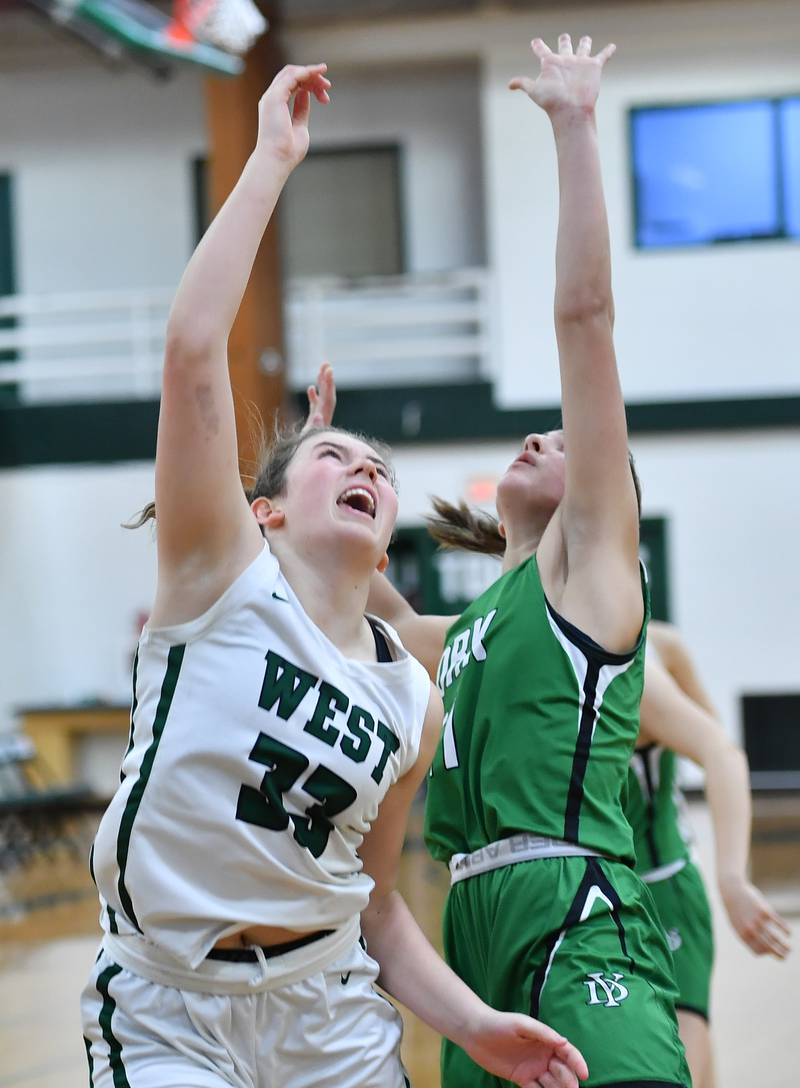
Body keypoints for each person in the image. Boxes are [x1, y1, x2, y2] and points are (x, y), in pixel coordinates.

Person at [79, 62, 589, 1088]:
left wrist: (475, 1022)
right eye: (332, 455)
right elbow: (190, 352)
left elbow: (378, 901)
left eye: (378, 467)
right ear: (261, 510)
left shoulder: (410, 692)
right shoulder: (216, 577)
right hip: (168, 1004)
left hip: (329, 1008)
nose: (363, 464)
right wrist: (272, 157)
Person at [323, 33, 691, 1088]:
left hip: (573, 903)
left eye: (567, 439)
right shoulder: (472, 625)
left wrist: (574, 129)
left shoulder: (591, 582)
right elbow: (360, 600)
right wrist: (314, 468)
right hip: (465, 929)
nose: (540, 437)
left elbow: (583, 319)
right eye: (535, 432)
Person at [630, 623, 791, 1088]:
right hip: (598, 893)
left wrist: (732, 877)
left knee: (683, 1057)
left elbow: (718, 751)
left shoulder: (661, 650)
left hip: (666, 884)